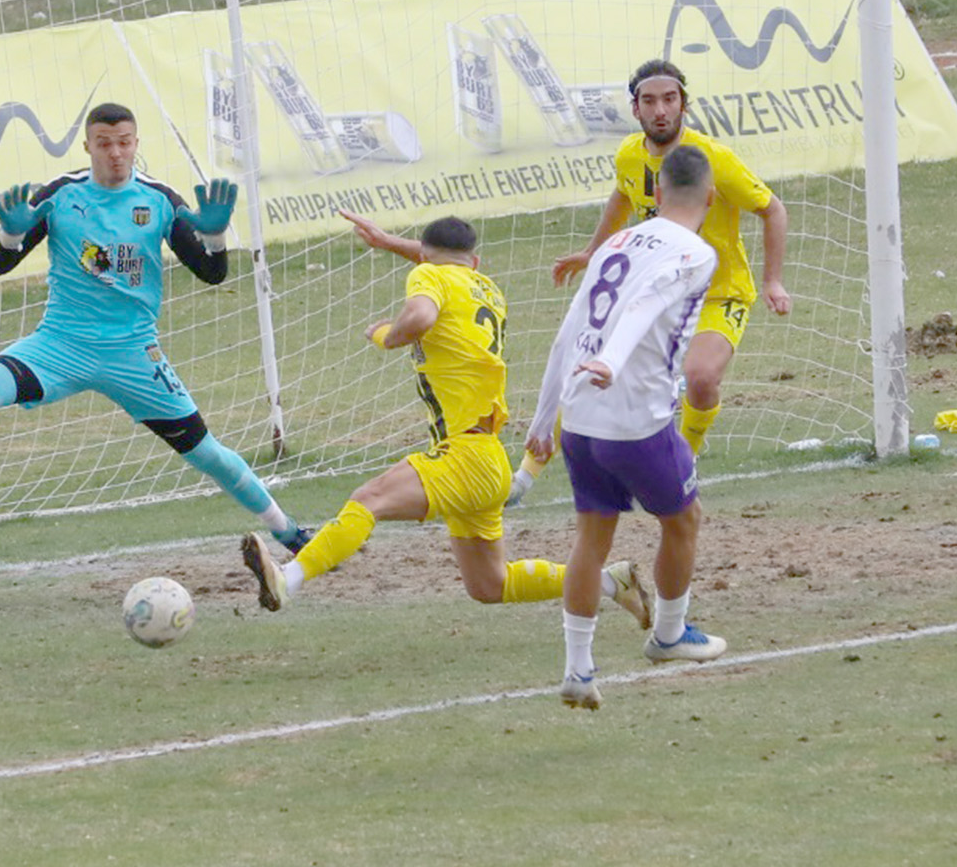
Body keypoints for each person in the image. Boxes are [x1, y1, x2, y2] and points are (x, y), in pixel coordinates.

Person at [0, 102, 310, 551]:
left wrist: (215, 237)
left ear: (136, 144)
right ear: (88, 146)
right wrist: (12, 235)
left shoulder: (158, 201)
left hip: (134, 352)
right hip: (61, 344)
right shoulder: (61, 195)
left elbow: (212, 274)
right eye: (104, 143)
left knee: (208, 454)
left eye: (124, 143)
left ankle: (288, 530)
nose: (115, 153)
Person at [238, 212, 651, 628]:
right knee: (489, 585)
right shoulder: (488, 289)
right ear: (474, 260)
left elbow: (419, 317)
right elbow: (440, 262)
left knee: (369, 500)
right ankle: (612, 583)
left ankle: (288, 580)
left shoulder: (428, 277)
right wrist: (388, 243)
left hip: (465, 455)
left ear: (428, 259)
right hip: (489, 460)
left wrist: (384, 335)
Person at [507, 56, 787, 504]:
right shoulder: (629, 155)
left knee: (699, 377)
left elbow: (773, 209)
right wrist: (592, 251)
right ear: (635, 109)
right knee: (591, 362)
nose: (661, 110)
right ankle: (522, 478)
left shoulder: (712, 159)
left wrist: (773, 281)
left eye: (670, 99)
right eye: (650, 101)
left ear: (684, 105)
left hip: (718, 293)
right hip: (653, 292)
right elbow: (622, 195)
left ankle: (684, 460)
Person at [525, 144, 731, 711]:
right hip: (635, 420)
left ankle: (577, 669)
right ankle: (669, 634)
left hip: (580, 418)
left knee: (591, 539)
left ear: (657, 194)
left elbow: (568, 329)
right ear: (709, 198)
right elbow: (647, 302)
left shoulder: (614, 242)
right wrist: (614, 363)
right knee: (683, 518)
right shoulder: (696, 252)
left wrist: (545, 417)